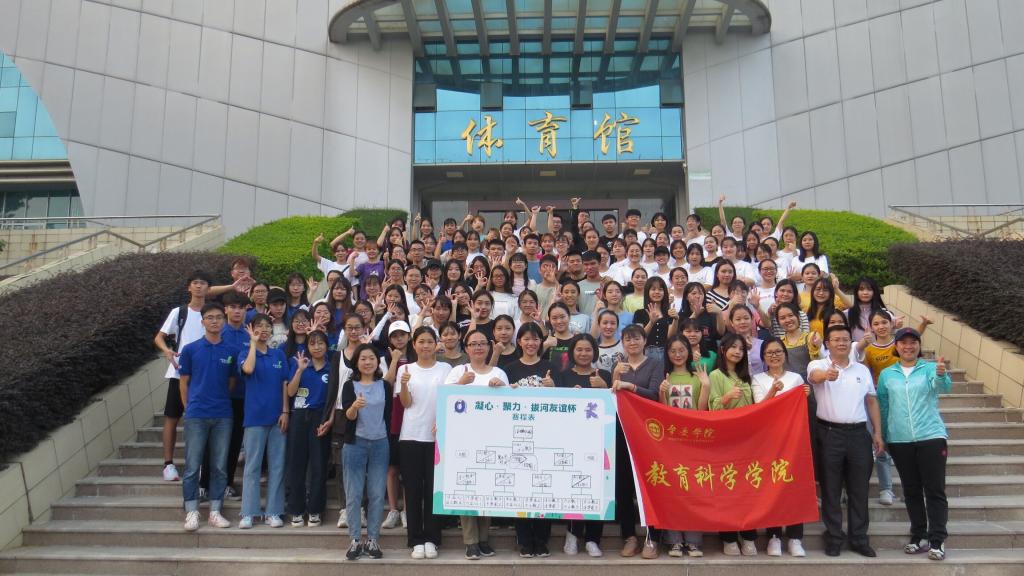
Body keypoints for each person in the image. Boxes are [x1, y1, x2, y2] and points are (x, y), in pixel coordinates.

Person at [807, 324, 883, 558]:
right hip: (829, 433)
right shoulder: (818, 365)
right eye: (836, 339)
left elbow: (872, 401)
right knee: (830, 488)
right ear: (827, 343)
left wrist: (877, 432)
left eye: (845, 339)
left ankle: (859, 538)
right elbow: (814, 378)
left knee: (859, 488)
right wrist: (826, 375)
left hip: (859, 434)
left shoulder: (862, 370)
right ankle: (834, 537)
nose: (841, 343)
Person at [877, 328, 952, 561]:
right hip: (900, 440)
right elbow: (884, 406)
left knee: (934, 489)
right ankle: (918, 535)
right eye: (903, 343)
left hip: (931, 436)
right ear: (896, 346)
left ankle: (937, 539)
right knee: (911, 490)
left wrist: (941, 375)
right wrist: (884, 436)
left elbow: (942, 387)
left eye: (913, 342)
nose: (908, 347)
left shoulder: (929, 368)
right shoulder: (887, 374)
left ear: (919, 346)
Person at [445, 330, 509, 560]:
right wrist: (461, 384)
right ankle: (470, 541)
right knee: (466, 488)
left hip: (493, 439)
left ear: (489, 347)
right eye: (473, 344)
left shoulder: (499, 372)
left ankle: (483, 539)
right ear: (466, 348)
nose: (478, 347)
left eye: (482, 343)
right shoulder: (458, 371)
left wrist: (501, 387)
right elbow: (444, 399)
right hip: (462, 439)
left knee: (487, 489)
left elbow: (509, 405)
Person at [178, 303, 236, 531]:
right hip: (197, 414)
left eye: (219, 317)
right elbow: (184, 382)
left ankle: (215, 511)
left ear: (224, 321)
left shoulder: (230, 350)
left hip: (223, 414)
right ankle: (192, 511)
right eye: (210, 317)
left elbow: (231, 382)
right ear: (202, 322)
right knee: (193, 466)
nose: (214, 321)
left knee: (219, 466)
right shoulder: (190, 349)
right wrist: (189, 407)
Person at [330, 344, 392, 560]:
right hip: (355, 443)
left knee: (376, 494)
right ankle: (355, 540)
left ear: (377, 362)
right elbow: (348, 416)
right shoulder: (349, 385)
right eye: (363, 358)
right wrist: (355, 406)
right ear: (356, 362)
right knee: (354, 493)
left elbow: (388, 415)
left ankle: (373, 539)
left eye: (371, 358)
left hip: (380, 443)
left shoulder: (385, 386)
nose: (367, 362)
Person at [750, 337, 810, 557]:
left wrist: (804, 395)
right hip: (769, 442)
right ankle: (774, 536)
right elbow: (759, 409)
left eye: (778, 352)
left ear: (785, 354)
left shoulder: (796, 378)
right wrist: (773, 391)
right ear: (763, 357)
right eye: (769, 353)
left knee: (794, 487)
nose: (774, 356)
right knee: (772, 488)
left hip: (793, 441)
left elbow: (800, 408)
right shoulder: (757, 379)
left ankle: (795, 537)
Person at [610, 324, 663, 558]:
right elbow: (612, 396)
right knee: (623, 486)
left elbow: (654, 394)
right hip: (622, 432)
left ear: (644, 341)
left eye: (636, 338)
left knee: (649, 484)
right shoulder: (618, 366)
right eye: (628, 339)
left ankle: (653, 537)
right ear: (622, 343)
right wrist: (616, 377)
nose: (632, 343)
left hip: (648, 434)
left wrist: (629, 386)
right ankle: (629, 536)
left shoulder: (655, 364)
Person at [154, 271, 211, 483]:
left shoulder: (213, 313)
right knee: (172, 416)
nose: (198, 286)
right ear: (189, 287)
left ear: (208, 288)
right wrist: (167, 351)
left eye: (203, 283)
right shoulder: (179, 312)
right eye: (195, 283)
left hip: (205, 375)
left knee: (203, 419)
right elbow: (159, 337)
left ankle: (202, 462)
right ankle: (168, 464)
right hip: (179, 373)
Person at [706, 333, 758, 555]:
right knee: (726, 488)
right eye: (733, 347)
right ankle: (728, 537)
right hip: (725, 441)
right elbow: (712, 407)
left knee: (748, 488)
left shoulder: (747, 377)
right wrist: (727, 397)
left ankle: (749, 535)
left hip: (747, 441)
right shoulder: (716, 375)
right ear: (723, 349)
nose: (737, 352)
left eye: (741, 349)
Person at [237, 314, 289, 529]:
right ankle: (249, 512)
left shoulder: (278, 354)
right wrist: (252, 343)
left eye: (268, 326)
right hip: (255, 418)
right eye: (260, 326)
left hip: (277, 418)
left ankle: (273, 511)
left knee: (277, 466)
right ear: (251, 329)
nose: (265, 330)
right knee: (252, 466)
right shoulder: (245, 353)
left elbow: (284, 383)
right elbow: (248, 369)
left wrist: (285, 411)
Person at [658, 336, 709, 557]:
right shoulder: (664, 377)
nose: (677, 354)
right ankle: (674, 541)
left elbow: (701, 410)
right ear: (667, 353)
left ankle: (694, 541)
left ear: (689, 351)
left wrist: (706, 386)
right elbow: (661, 413)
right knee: (671, 491)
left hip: (693, 442)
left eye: (681, 350)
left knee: (694, 490)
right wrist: (662, 392)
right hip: (670, 443)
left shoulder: (697, 376)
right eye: (673, 351)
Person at [285, 330, 333, 527]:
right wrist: (299, 371)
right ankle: (296, 509)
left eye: (320, 343)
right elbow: (290, 391)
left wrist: (329, 420)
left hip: (320, 418)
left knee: (318, 465)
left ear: (327, 345)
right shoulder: (300, 364)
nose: (317, 347)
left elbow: (334, 398)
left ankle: (315, 509)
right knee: (296, 464)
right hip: (299, 416)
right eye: (312, 343)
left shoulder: (332, 368)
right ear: (307, 347)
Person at [630, 276, 677, 361]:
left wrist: (675, 320)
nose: (657, 292)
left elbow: (670, 337)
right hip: (646, 354)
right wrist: (651, 322)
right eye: (653, 289)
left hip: (666, 354)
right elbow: (638, 336)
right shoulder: (640, 313)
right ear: (647, 291)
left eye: (660, 289)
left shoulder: (669, 313)